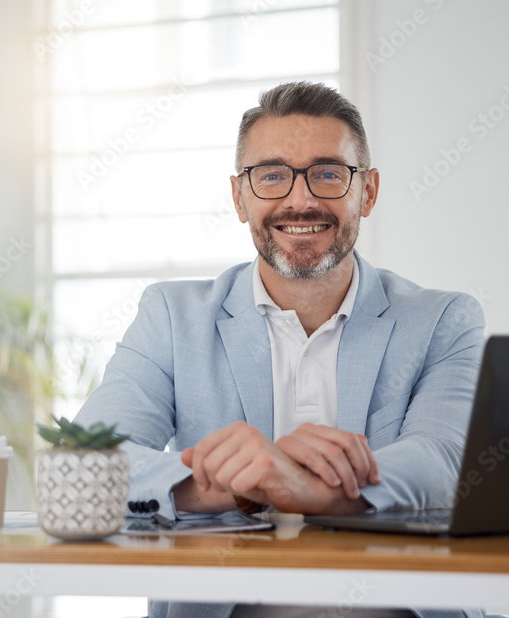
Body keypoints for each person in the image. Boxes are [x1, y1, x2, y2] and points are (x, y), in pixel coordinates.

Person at [74, 82, 485, 618]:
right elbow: (86, 463)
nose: (301, 199)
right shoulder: (172, 318)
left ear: (368, 191)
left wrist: (310, 492)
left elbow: (447, 464)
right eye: (271, 175)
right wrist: (246, 485)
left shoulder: (443, 320)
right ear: (240, 197)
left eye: (328, 173)